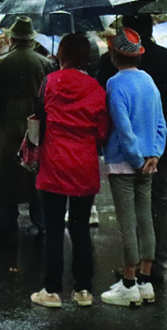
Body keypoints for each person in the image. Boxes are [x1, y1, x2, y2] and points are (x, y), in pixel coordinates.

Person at [97, 14, 167, 281]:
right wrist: (158, 152)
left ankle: (131, 273)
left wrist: (135, 157)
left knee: (129, 216)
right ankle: (155, 264)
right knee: (155, 207)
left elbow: (116, 119)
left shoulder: (111, 73)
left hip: (127, 155)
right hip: (159, 151)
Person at [30, 34, 110, 309]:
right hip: (84, 165)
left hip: (53, 163)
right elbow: (101, 132)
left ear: (61, 55)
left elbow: (37, 118)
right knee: (80, 229)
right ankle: (84, 290)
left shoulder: (49, 83)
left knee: (53, 229)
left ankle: (52, 290)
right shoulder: (96, 88)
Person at [100, 28, 166, 307]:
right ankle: (145, 280)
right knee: (145, 219)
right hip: (150, 161)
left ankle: (128, 283)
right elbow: (161, 123)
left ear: (115, 56)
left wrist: (136, 158)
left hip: (124, 161)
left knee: (127, 223)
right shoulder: (149, 81)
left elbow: (122, 126)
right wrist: (155, 154)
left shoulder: (115, 84)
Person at [0, 17, 52, 240]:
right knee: (35, 173)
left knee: (7, 176)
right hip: (36, 124)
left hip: (8, 124)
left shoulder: (3, 63)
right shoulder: (44, 63)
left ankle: (5, 221)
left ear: (12, 39)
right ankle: (40, 221)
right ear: (31, 40)